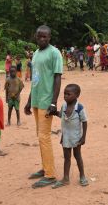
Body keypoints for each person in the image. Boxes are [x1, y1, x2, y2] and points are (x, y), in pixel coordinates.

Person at [24, 25, 63, 188]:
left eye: (45, 37)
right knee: (40, 136)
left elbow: (57, 78)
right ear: (36, 37)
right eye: (39, 37)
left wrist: (53, 102)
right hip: (36, 101)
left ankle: (50, 175)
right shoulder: (36, 54)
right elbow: (35, 79)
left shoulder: (55, 53)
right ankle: (45, 167)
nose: (42, 39)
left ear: (50, 37)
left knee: (44, 136)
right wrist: (29, 100)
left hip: (47, 102)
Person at [51, 84, 89, 189]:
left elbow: (84, 122)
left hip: (76, 137)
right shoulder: (64, 106)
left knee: (77, 156)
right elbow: (62, 116)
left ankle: (82, 176)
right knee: (67, 158)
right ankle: (66, 178)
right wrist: (54, 113)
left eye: (68, 94)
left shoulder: (79, 108)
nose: (65, 96)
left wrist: (83, 137)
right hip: (66, 137)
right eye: (64, 94)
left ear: (77, 95)